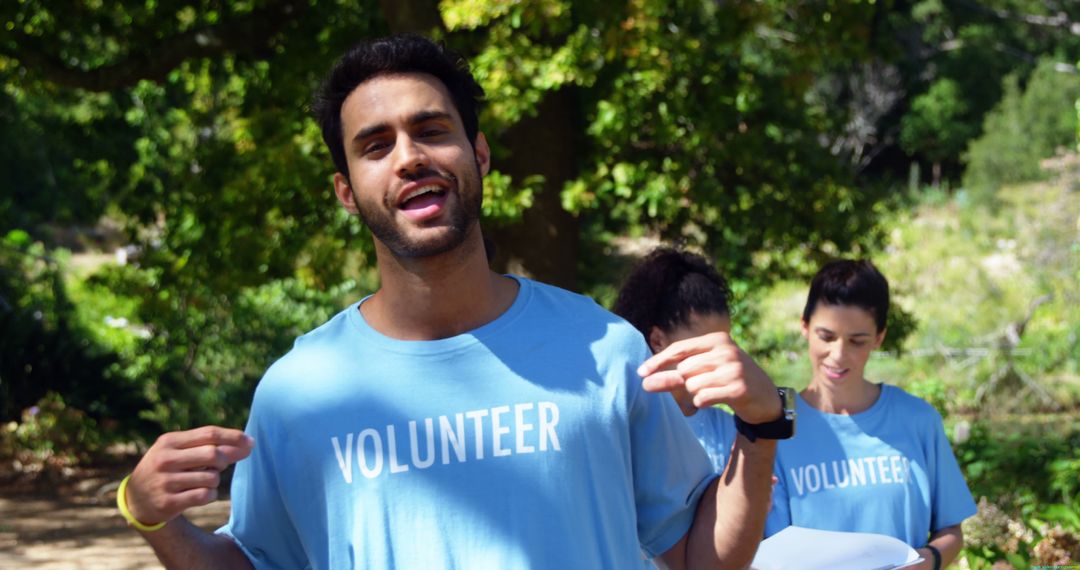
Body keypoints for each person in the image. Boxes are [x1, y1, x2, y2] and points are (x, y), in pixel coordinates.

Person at [117, 34, 793, 569]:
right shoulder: (299, 392)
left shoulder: (603, 348)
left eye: (431, 130)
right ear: (346, 191)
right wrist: (150, 514)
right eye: (375, 146)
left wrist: (761, 424)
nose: (409, 157)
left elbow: (700, 557)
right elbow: (255, 564)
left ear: (479, 154)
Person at [764, 260, 976, 570]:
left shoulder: (917, 420)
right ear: (805, 327)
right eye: (826, 336)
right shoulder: (774, 428)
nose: (838, 354)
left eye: (856, 341)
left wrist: (926, 562)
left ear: (879, 338)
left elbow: (951, 531)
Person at [612, 247, 739, 473]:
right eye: (703, 348)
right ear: (657, 340)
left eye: (724, 347)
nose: (719, 360)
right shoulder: (622, 423)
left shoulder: (728, 429)